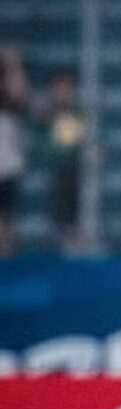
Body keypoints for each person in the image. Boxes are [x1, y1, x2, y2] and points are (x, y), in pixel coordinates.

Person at [41, 72, 85, 254]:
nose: (64, 92)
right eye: (60, 88)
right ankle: (64, 241)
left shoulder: (80, 114)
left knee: (76, 203)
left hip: (77, 170)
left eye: (67, 88)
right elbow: (42, 143)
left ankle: (77, 240)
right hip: (58, 169)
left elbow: (89, 139)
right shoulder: (46, 115)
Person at [0, 44, 28, 257]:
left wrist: (12, 62)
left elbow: (19, 91)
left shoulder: (12, 104)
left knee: (7, 220)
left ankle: (7, 256)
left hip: (8, 169)